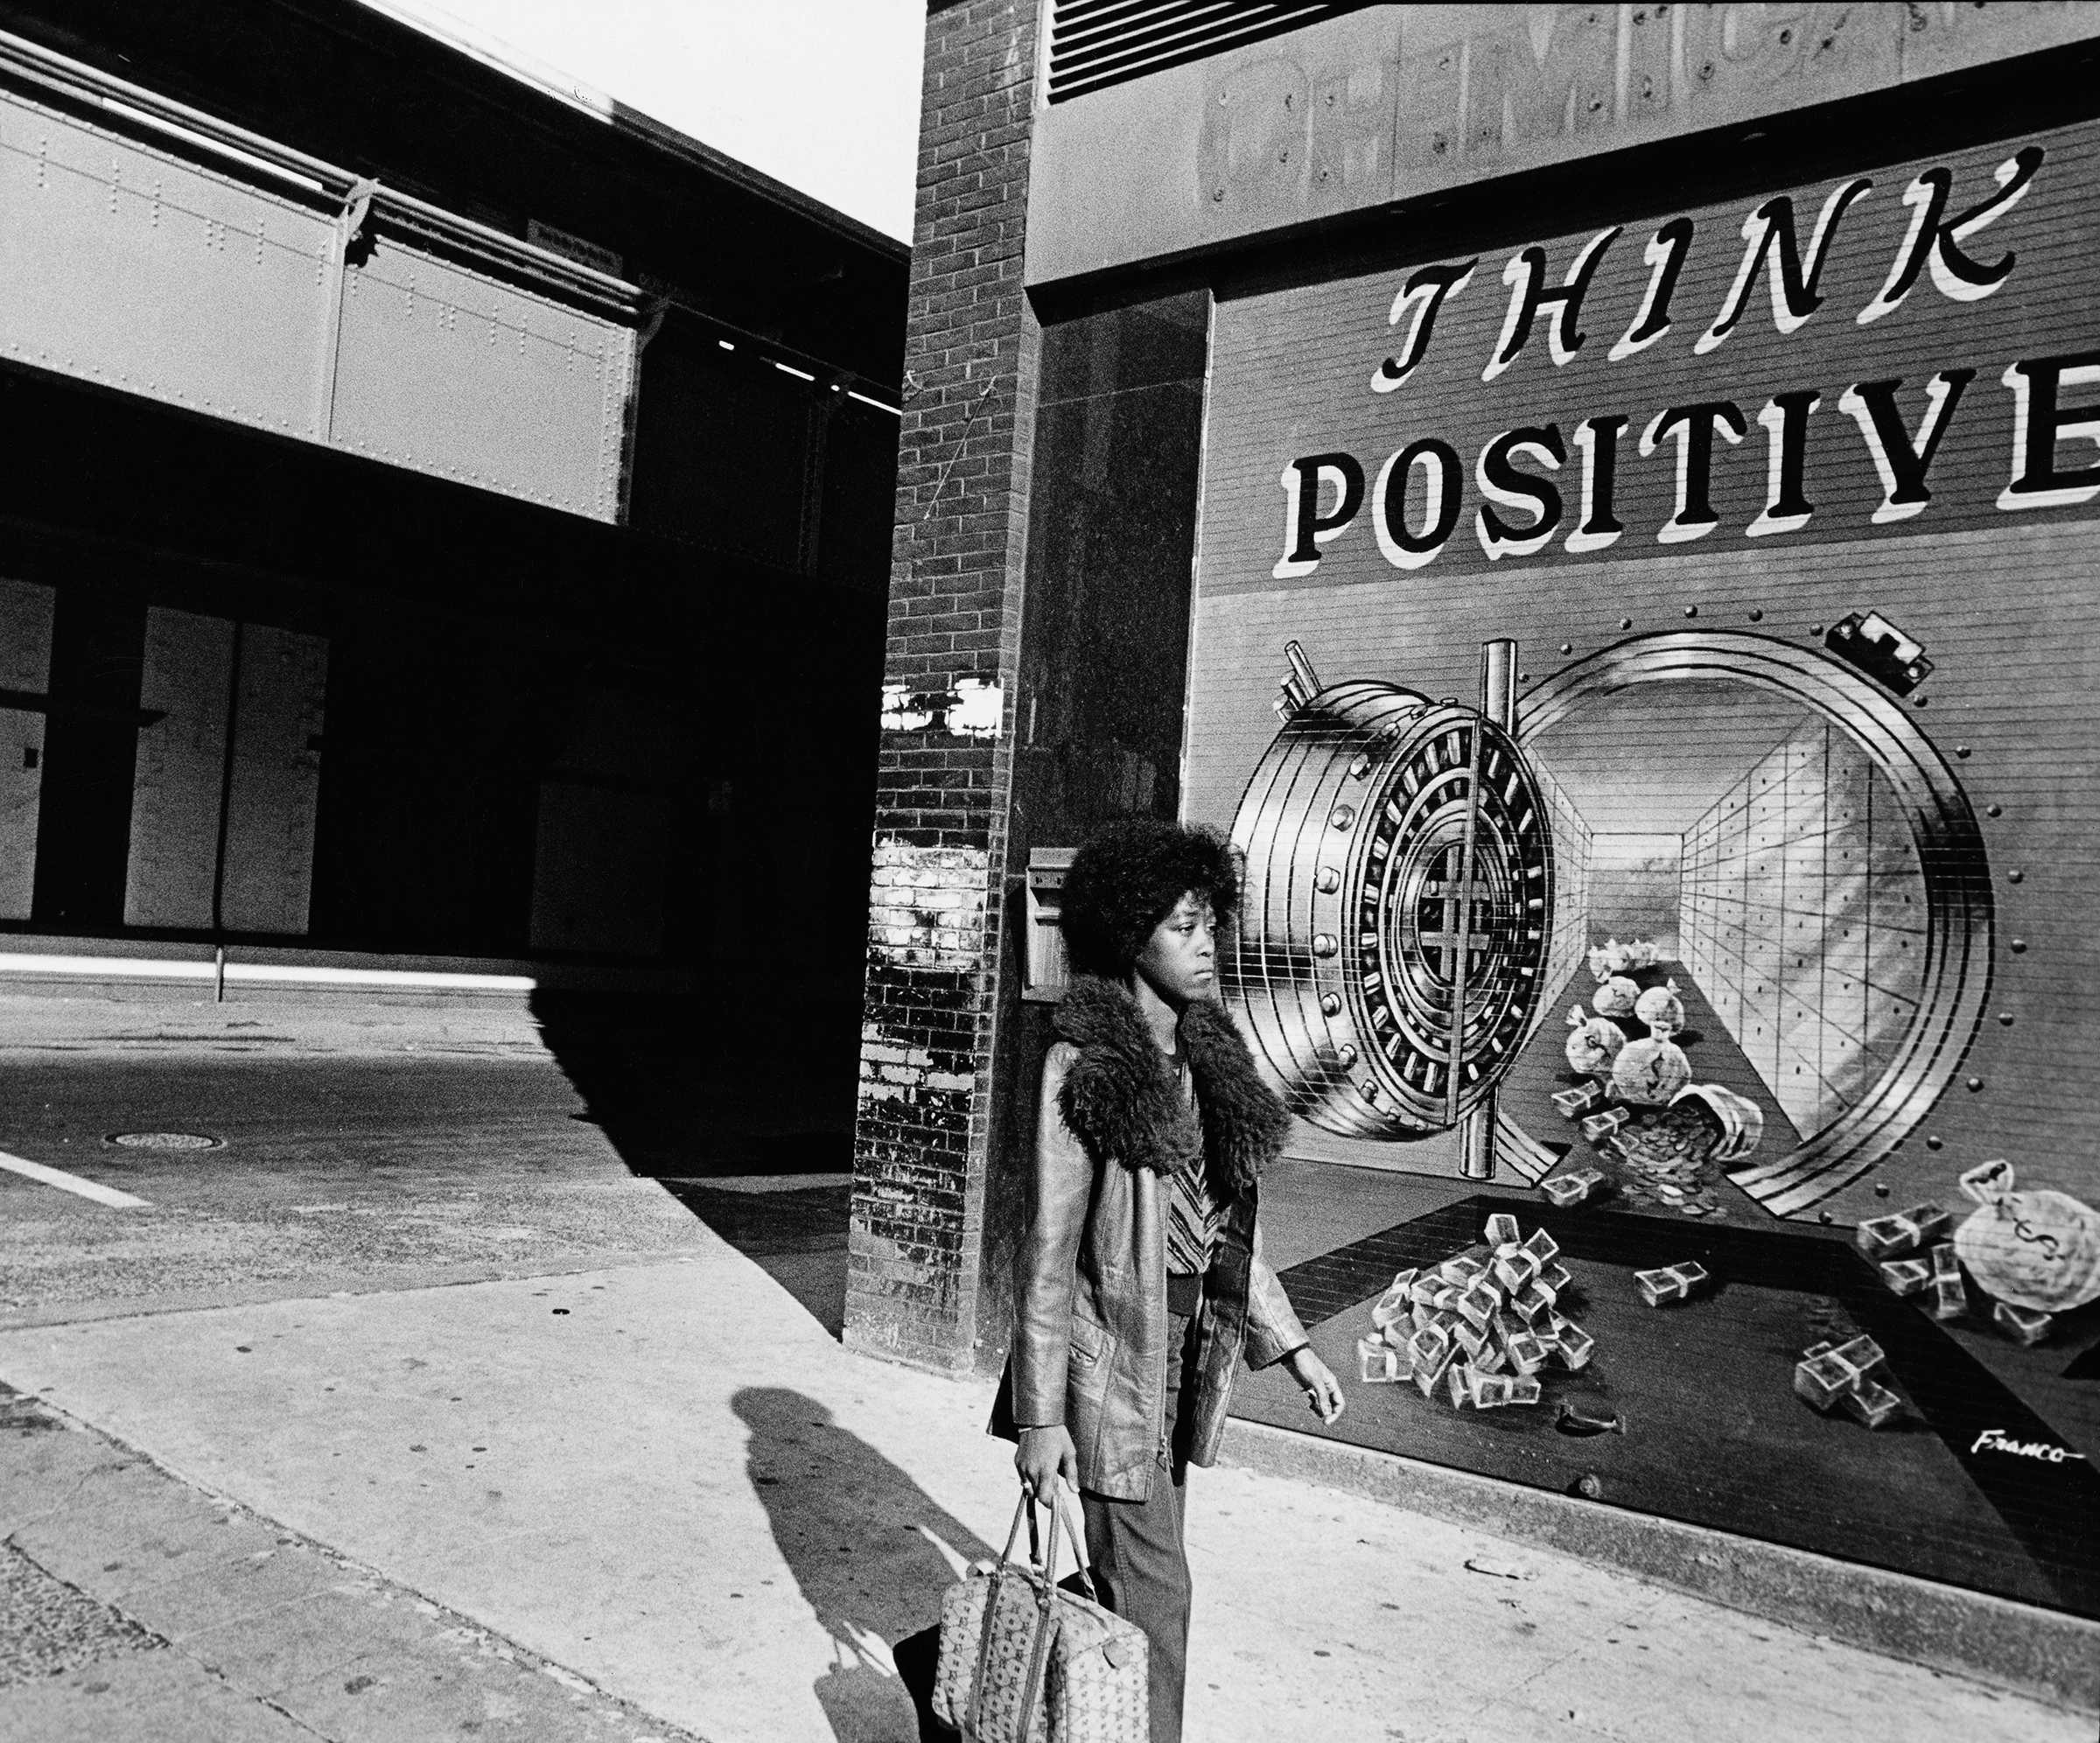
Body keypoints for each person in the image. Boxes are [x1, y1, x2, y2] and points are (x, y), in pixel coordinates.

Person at [991, 818, 1345, 1743]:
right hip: (1110, 1375)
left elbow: (1221, 1233)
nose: (1206, 945)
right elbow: (1049, 1251)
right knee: (1158, 1599)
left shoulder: (1207, 1059)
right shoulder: (1091, 1063)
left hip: (1181, 1367)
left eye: (1209, 923)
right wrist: (1038, 1419)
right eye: (1181, 926)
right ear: (1127, 936)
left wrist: (1294, 1345)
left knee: (1134, 1588)